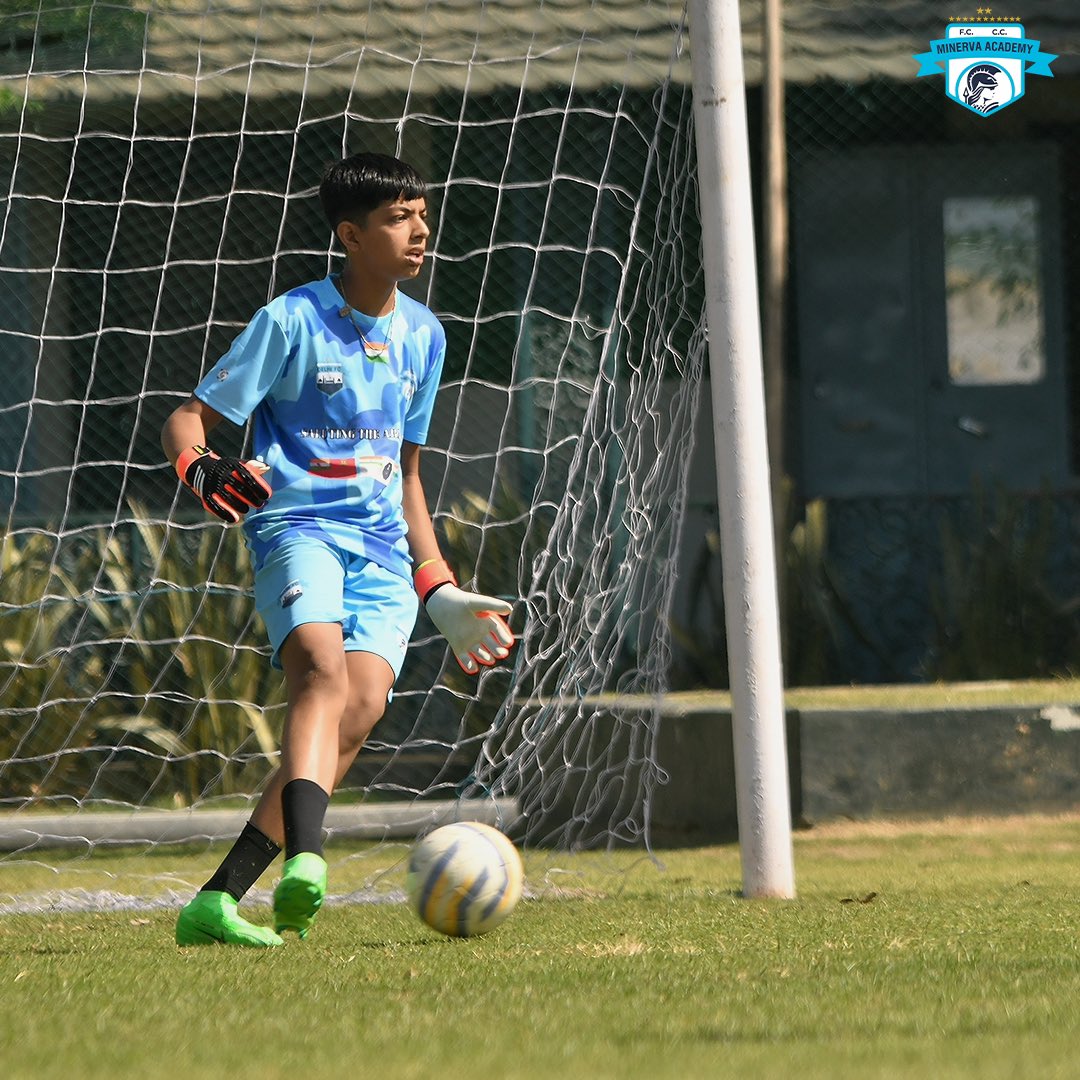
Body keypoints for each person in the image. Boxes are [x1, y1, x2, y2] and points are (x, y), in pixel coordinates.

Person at [163, 152, 515, 947]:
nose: (420, 230)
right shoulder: (291, 320)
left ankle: (217, 902)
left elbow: (410, 475)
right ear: (351, 236)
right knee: (319, 671)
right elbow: (185, 421)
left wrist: (440, 588)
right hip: (299, 528)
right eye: (398, 218)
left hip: (386, 551)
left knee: (355, 712)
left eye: (422, 214)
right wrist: (202, 468)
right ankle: (309, 861)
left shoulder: (427, 335)